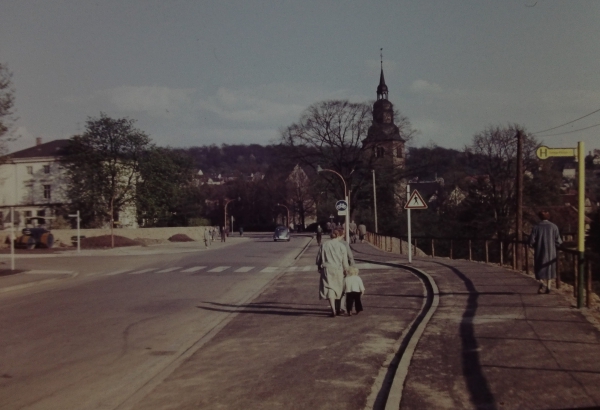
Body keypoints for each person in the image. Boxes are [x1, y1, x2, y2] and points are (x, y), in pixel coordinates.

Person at [316, 227, 350, 317]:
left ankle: (333, 310)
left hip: (327, 269)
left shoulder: (324, 244)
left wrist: (319, 266)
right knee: (338, 288)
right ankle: (339, 308)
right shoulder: (341, 246)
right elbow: (345, 261)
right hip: (338, 269)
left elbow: (319, 257)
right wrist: (346, 269)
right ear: (338, 235)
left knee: (329, 288)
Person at [529, 210, 563, 294]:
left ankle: (541, 282)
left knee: (539, 267)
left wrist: (534, 245)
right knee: (550, 268)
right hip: (551, 251)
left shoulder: (536, 227)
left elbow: (531, 241)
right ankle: (549, 286)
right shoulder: (554, 227)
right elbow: (558, 241)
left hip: (540, 250)